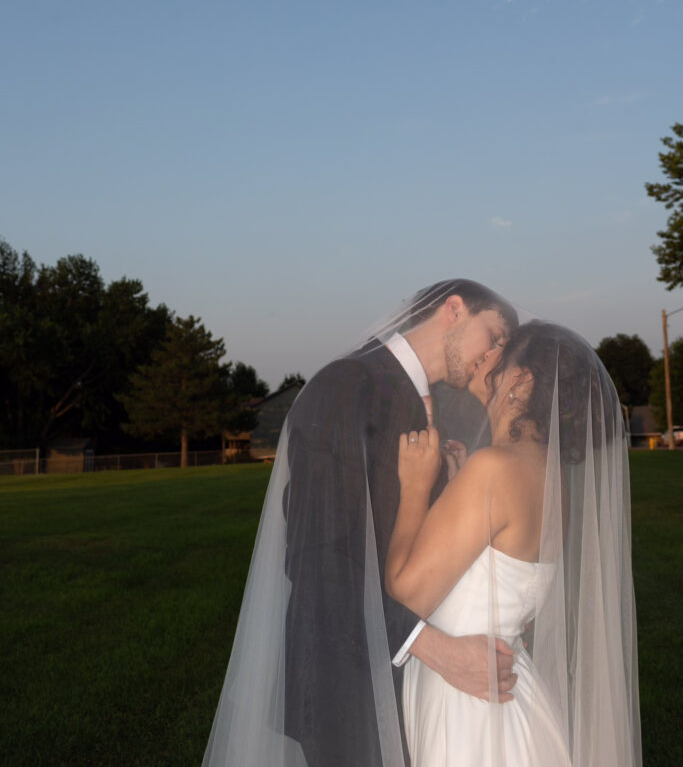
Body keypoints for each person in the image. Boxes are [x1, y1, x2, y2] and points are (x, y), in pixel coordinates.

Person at [202, 280, 518, 767]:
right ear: (454, 309)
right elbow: (318, 556)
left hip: (400, 680)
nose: (495, 356)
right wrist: (437, 650)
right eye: (494, 336)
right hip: (341, 681)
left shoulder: (438, 405)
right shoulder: (347, 385)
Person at [386, 320, 642, 767]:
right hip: (509, 690)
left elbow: (407, 590)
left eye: (499, 356)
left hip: (469, 710)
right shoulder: (546, 473)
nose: (486, 359)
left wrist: (414, 488)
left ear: (520, 379)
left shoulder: (494, 469)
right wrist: (456, 486)